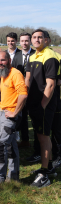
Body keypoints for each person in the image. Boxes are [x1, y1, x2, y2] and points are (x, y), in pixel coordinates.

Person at [25, 29, 60, 187]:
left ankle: (44, 175)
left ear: (47, 40)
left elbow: (51, 84)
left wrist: (42, 105)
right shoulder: (32, 56)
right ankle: (50, 167)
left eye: (40, 37)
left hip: (44, 105)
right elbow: (27, 80)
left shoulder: (50, 56)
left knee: (44, 137)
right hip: (33, 104)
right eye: (34, 37)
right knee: (41, 136)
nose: (36, 40)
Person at [0, 51, 27, 187]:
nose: (0, 63)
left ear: (9, 60)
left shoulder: (15, 74)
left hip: (11, 117)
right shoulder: (4, 74)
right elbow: (6, 96)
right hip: (3, 114)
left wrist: (15, 113)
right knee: (11, 146)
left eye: (2, 60)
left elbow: (23, 95)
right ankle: (14, 177)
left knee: (0, 146)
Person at [12, 33, 35, 150]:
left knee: (35, 118)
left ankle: (38, 143)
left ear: (30, 41)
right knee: (23, 117)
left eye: (26, 41)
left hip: (35, 91)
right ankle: (25, 140)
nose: (24, 43)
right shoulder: (16, 56)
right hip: (20, 92)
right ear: (19, 42)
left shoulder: (35, 54)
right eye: (22, 41)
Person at [43, 31, 61, 168]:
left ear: (47, 40)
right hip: (48, 97)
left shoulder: (54, 56)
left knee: (56, 129)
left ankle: (58, 156)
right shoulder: (39, 56)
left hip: (56, 98)